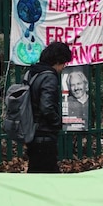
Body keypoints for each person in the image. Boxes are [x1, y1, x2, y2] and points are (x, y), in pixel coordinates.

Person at [26, 41, 72, 173]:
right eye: (64, 63)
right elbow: (47, 107)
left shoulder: (33, 73)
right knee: (48, 176)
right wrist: (57, 122)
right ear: (58, 61)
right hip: (44, 134)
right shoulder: (49, 77)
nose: (63, 67)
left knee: (36, 172)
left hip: (32, 131)